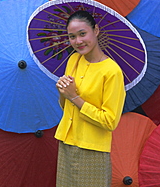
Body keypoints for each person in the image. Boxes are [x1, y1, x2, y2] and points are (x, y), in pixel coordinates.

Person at [55, 10, 126, 187]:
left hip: (93, 150)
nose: (78, 41)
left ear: (96, 30)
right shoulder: (73, 60)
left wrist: (75, 96)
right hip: (66, 143)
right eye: (72, 36)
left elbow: (110, 121)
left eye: (82, 34)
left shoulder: (111, 71)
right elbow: (66, 107)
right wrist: (63, 91)